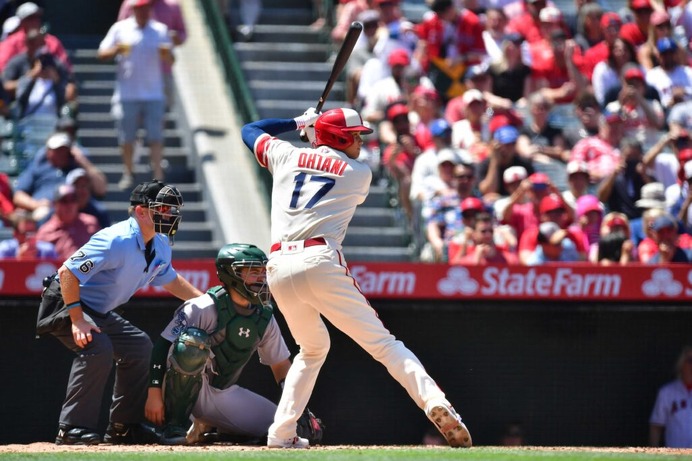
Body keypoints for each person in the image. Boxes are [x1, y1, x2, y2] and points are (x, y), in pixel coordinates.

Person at [241, 107, 472, 448]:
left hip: (278, 266)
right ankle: (436, 402)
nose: (360, 142)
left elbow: (251, 129)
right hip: (319, 259)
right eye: (355, 136)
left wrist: (298, 124)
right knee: (384, 344)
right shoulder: (357, 173)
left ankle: (281, 433)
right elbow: (325, 162)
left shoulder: (286, 154)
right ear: (339, 138)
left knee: (313, 348)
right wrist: (314, 134)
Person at [37, 179, 204, 446]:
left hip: (97, 310)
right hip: (66, 303)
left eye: (172, 209)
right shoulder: (117, 239)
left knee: (139, 347)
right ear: (140, 211)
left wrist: (205, 301)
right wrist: (78, 319)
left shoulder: (160, 243)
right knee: (97, 347)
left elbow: (171, 280)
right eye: (162, 209)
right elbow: (67, 272)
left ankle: (124, 427)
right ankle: (71, 429)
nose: (170, 215)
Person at [145, 243, 323, 445]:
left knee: (290, 430)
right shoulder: (202, 306)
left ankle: (212, 427)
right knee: (191, 344)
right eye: (253, 271)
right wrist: (154, 392)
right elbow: (161, 347)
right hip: (177, 388)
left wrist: (297, 409)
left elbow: (281, 366)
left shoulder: (264, 316)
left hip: (221, 392)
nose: (261, 278)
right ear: (231, 274)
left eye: (264, 272)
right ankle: (174, 425)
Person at [98, 0, 175, 189]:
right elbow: (101, 53)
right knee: (127, 138)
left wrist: (166, 55)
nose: (143, 11)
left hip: (154, 92)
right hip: (127, 93)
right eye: (140, 8)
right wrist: (117, 49)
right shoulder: (120, 28)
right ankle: (128, 172)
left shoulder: (160, 30)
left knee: (156, 137)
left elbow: (172, 59)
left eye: (146, 8)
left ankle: (158, 176)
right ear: (133, 9)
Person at [13, 132, 106, 223]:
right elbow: (18, 195)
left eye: (64, 149)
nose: (61, 153)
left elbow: (101, 189)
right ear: (48, 151)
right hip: (45, 212)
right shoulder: (38, 166)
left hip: (75, 210)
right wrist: (36, 205)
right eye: (57, 150)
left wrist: (83, 161)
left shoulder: (77, 166)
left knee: (100, 211)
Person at [118, 0, 187, 107]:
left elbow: (182, 34)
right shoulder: (131, 3)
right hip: (135, 72)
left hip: (162, 71)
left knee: (160, 114)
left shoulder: (172, 6)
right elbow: (119, 31)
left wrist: (175, 38)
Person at [35, 184, 101, 261]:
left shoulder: (90, 224)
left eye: (73, 200)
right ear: (55, 204)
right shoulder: (46, 232)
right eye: (64, 201)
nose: (69, 205)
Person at [0, 2, 72, 72]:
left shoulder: (52, 41)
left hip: (49, 79)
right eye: (30, 18)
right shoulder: (11, 42)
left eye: (37, 17)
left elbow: (66, 67)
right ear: (22, 22)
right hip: (20, 81)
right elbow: (2, 69)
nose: (35, 21)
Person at [649, 346, 692, 448]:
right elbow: (656, 427)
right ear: (681, 364)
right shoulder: (667, 392)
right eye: (690, 361)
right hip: (676, 456)